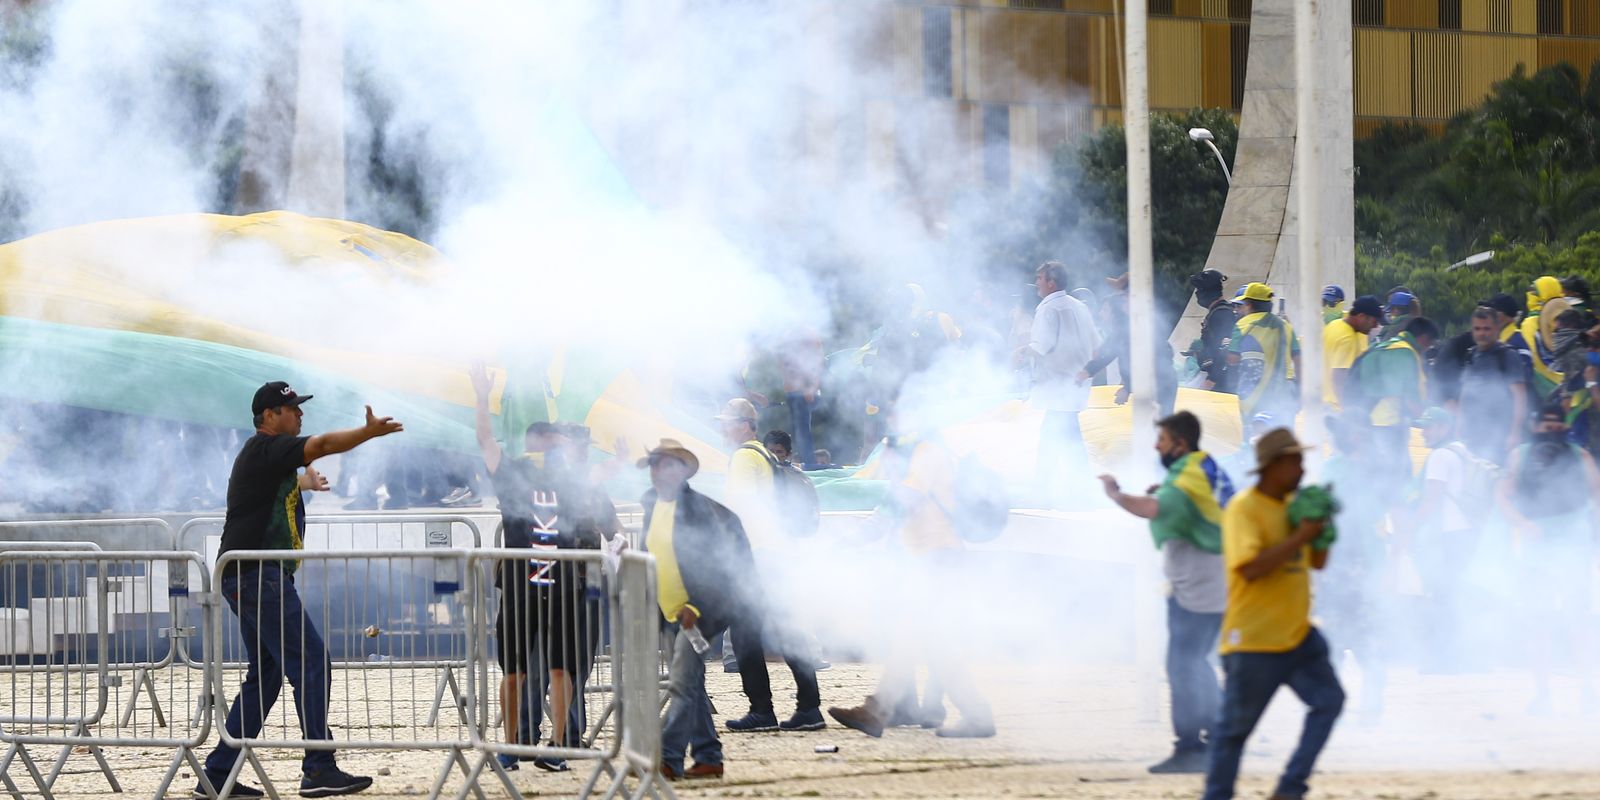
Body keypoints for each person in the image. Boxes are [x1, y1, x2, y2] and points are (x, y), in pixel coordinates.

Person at [201, 382, 402, 799]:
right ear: (269, 416)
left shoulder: (267, 458)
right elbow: (324, 444)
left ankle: (217, 775)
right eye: (291, 408)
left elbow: (269, 492)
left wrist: (303, 484)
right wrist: (367, 433)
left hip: (249, 576)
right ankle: (318, 767)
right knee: (311, 662)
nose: (299, 413)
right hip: (258, 576)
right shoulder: (266, 448)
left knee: (267, 675)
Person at [469, 365, 605, 773]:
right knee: (514, 673)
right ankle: (511, 746)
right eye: (540, 443)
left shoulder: (569, 480)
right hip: (519, 586)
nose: (544, 451)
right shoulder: (512, 472)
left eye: (550, 444)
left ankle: (559, 746)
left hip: (561, 587)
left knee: (561, 669)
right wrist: (481, 397)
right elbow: (485, 440)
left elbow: (594, 482)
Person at [1202, 428, 1343, 800]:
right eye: (1295, 461)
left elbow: (1317, 562)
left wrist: (1323, 531)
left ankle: (1291, 788)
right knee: (1234, 733)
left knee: (1329, 701)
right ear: (1273, 466)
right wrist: (1301, 536)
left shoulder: (1294, 507)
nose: (1302, 469)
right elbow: (1249, 568)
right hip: (1255, 640)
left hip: (1298, 634)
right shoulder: (1245, 508)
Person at [828, 430, 995, 739]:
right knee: (930, 643)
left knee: (913, 635)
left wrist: (847, 542)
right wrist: (845, 543)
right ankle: (975, 714)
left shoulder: (926, 451)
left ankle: (878, 710)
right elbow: (889, 514)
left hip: (938, 559)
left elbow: (902, 502)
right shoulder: (915, 454)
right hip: (929, 561)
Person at [1097, 411, 1232, 773]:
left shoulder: (1187, 476)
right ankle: (1222, 735)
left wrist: (1115, 494)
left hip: (1199, 586)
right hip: (1210, 581)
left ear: (1180, 444)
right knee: (1195, 662)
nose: (1157, 447)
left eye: (1162, 440)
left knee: (1183, 666)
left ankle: (1190, 748)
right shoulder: (1201, 467)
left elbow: (1151, 508)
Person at [639, 439, 756, 780]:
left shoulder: (700, 510)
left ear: (682, 471)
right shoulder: (651, 504)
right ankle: (709, 757)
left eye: (666, 464)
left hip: (697, 614)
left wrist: (695, 605)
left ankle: (667, 758)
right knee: (691, 686)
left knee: (681, 686)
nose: (658, 471)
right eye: (654, 464)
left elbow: (717, 566)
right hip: (667, 612)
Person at [711, 399, 824, 732]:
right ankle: (809, 707)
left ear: (744, 425)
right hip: (777, 552)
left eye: (727, 422)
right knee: (788, 629)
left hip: (756, 555)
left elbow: (737, 511)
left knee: (745, 635)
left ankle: (762, 710)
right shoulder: (765, 455)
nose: (723, 428)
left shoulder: (744, 456)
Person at [1495, 404, 1600, 714]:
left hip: (1573, 545)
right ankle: (1543, 695)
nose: (1551, 431)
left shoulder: (1580, 456)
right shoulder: (1520, 455)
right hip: (1536, 547)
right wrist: (1522, 523)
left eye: (1557, 426)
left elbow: (1597, 496)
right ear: (1536, 426)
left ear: (1564, 427)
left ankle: (1589, 692)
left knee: (1578, 620)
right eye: (1546, 426)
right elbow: (1502, 495)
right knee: (1538, 621)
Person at [1398, 408, 1480, 671]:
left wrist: (1409, 529)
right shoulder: (1461, 451)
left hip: (1449, 535)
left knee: (1442, 596)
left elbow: (1430, 502)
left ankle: (1444, 660)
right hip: (1466, 532)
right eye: (1422, 427)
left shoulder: (1439, 456)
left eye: (1429, 427)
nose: (1423, 433)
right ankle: (1464, 657)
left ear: (1444, 427)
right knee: (1454, 595)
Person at [1015, 261, 1101, 502]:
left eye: (1039, 278)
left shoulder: (1048, 309)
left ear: (1051, 283)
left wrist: (1020, 352)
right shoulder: (1079, 306)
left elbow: (1041, 346)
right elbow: (1096, 346)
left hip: (1057, 386)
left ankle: (1044, 494)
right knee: (1068, 439)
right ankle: (1079, 492)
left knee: (1052, 440)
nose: (1037, 283)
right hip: (1076, 385)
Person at [1079, 272, 1179, 414]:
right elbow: (1108, 351)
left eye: (1120, 294)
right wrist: (1086, 372)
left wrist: (1128, 387)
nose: (1116, 298)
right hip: (1149, 385)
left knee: (1158, 424)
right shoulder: (1127, 324)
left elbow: (1149, 361)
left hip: (1160, 385)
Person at [1349, 316, 1439, 465]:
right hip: (1389, 425)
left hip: (1367, 419)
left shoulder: (1385, 346)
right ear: (1424, 338)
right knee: (1394, 470)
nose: (1427, 349)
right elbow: (1411, 398)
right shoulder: (1406, 352)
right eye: (1430, 344)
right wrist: (1430, 421)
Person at [1457, 307, 1528, 464]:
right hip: (1473, 433)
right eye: (1477, 329)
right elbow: (1465, 391)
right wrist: (1460, 424)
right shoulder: (1471, 354)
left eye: (1486, 329)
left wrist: (1515, 433)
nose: (1481, 333)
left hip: (1500, 434)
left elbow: (1520, 396)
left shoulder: (1507, 355)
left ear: (1497, 329)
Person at [1225, 283, 1301, 425]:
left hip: (1254, 391)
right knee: (1284, 433)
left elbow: (1233, 359)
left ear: (1248, 304)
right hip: (1284, 390)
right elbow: (1298, 359)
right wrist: (1300, 389)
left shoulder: (1242, 325)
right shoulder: (1286, 326)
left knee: (1254, 433)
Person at [1508, 276, 1568, 401]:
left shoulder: (1530, 323)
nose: (1530, 295)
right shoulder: (1569, 315)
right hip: (1570, 382)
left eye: (1534, 292)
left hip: (1543, 387)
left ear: (1542, 295)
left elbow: (1532, 355)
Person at [1323, 295, 1383, 410]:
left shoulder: (1334, 325)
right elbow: (1339, 377)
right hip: (1336, 407)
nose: (1375, 326)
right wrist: (1346, 410)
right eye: (1374, 321)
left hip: (1323, 402)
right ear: (1362, 316)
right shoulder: (1347, 338)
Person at [1188, 270, 1236, 393]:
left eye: (1200, 289)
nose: (1197, 293)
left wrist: (1211, 380)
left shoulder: (1222, 314)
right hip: (1216, 377)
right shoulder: (1218, 312)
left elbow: (1225, 349)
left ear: (1207, 290)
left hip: (1222, 382)